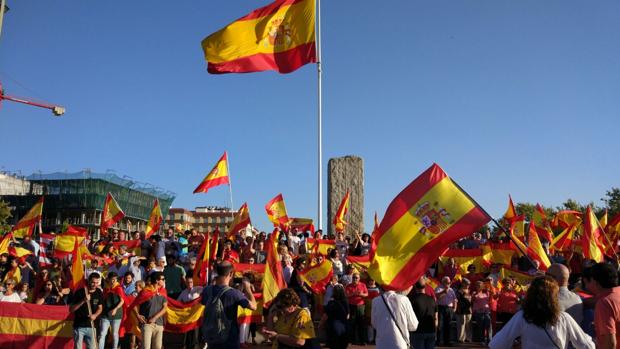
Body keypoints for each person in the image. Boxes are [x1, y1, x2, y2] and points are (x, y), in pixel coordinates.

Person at [489, 275, 595, 349]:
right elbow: (587, 345)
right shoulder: (564, 318)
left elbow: (497, 344)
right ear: (554, 296)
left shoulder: (523, 316)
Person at [200, 261, 257, 349]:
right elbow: (254, 306)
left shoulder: (207, 290)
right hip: (230, 340)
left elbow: (203, 302)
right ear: (230, 273)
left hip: (212, 338)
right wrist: (247, 288)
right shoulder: (234, 294)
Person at [582, 262, 620, 349]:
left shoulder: (604, 303)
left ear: (595, 282)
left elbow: (610, 344)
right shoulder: (615, 294)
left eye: (589, 280)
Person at [131, 272, 168, 349]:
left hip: (159, 324)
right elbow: (134, 304)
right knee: (145, 347)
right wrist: (137, 315)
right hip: (147, 324)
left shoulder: (163, 292)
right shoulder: (145, 291)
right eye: (163, 279)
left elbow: (164, 308)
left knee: (158, 347)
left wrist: (155, 318)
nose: (164, 281)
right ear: (157, 281)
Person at [70, 273, 104, 349]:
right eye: (93, 282)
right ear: (88, 281)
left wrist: (95, 315)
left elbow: (100, 308)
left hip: (92, 326)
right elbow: (71, 309)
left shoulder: (99, 292)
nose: (95, 284)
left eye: (97, 282)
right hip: (79, 326)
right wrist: (83, 300)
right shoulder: (79, 292)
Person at [409, 279, 437, 349]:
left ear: (415, 287)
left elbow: (409, 317)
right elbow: (436, 318)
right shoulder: (432, 300)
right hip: (431, 331)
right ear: (425, 287)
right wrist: (435, 331)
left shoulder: (412, 299)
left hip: (418, 332)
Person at [99, 272, 124, 349]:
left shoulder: (118, 288)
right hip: (105, 314)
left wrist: (115, 309)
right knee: (102, 334)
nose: (114, 281)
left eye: (115, 279)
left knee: (114, 334)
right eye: (112, 279)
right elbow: (103, 299)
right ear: (108, 279)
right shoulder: (105, 288)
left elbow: (122, 301)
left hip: (116, 315)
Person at [319, 284, 349, 349]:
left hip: (334, 327)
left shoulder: (332, 303)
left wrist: (320, 325)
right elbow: (348, 315)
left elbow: (325, 315)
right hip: (344, 327)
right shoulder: (345, 301)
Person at [345, 271, 368, 345]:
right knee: (352, 323)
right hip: (352, 306)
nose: (355, 279)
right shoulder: (349, 286)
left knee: (361, 323)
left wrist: (361, 294)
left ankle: (362, 341)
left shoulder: (363, 285)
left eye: (356, 278)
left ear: (359, 279)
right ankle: (352, 340)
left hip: (361, 306)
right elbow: (346, 295)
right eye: (354, 277)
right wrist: (353, 294)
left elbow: (366, 294)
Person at [435, 276, 457, 346]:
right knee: (440, 325)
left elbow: (455, 300)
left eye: (449, 282)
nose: (448, 283)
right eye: (447, 282)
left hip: (449, 308)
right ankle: (439, 341)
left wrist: (455, 308)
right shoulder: (438, 288)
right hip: (441, 308)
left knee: (449, 325)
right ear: (443, 282)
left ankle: (448, 341)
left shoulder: (451, 290)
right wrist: (444, 291)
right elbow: (437, 297)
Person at [455, 278, 473, 343]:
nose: (468, 285)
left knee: (468, 324)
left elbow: (471, 301)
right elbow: (457, 300)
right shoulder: (458, 291)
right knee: (461, 324)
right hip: (461, 310)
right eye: (467, 284)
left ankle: (468, 338)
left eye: (469, 284)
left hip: (468, 310)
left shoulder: (469, 291)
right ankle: (460, 338)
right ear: (463, 283)